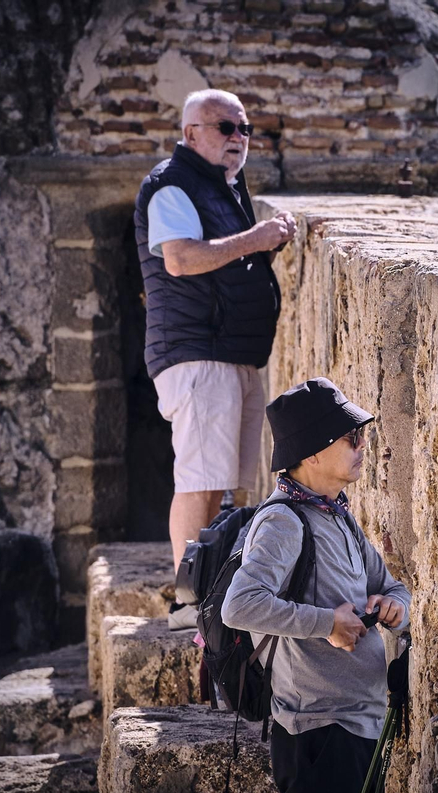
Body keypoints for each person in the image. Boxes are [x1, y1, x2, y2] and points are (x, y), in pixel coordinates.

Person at [220, 378, 411, 793]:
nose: (362, 445)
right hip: (319, 734)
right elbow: (240, 605)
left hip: (358, 726)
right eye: (350, 437)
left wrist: (395, 608)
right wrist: (327, 624)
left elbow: (394, 588)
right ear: (311, 453)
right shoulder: (284, 522)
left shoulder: (337, 515)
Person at [134, 88, 299, 570]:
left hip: (231, 352)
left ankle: (213, 591)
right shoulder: (173, 184)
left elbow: (225, 262)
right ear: (191, 134)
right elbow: (180, 258)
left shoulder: (222, 185)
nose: (238, 137)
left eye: (244, 128)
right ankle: (188, 597)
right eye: (225, 127)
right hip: (197, 351)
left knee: (230, 486)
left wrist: (264, 247)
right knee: (201, 482)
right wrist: (255, 238)